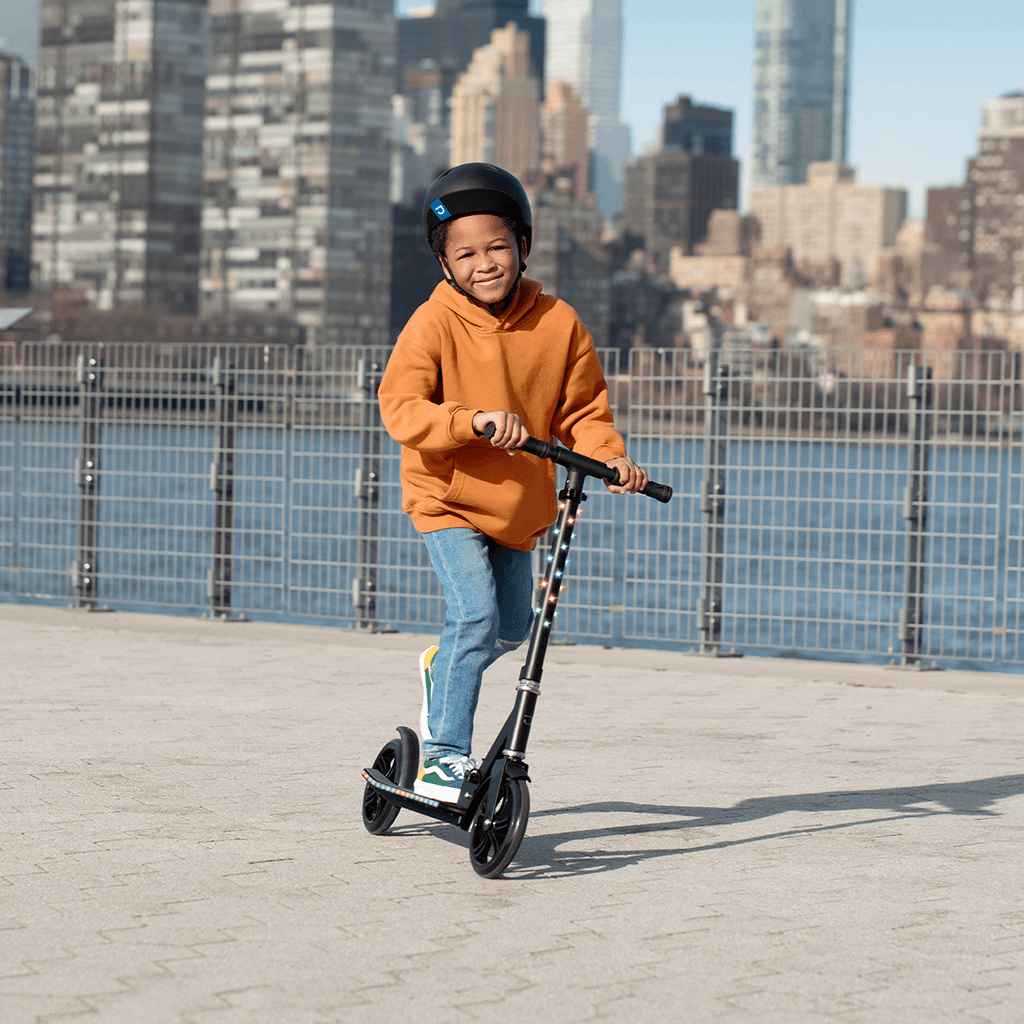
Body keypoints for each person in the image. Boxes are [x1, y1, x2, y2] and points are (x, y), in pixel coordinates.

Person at [377, 162, 647, 802]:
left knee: (509, 629)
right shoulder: (433, 322)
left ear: (523, 245)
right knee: (473, 616)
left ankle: (443, 670)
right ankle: (443, 756)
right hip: (447, 498)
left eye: (497, 246)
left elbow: (583, 412)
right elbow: (401, 407)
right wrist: (470, 421)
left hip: (520, 506)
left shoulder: (558, 324)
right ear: (445, 263)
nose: (485, 263)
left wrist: (612, 459)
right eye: (465, 253)